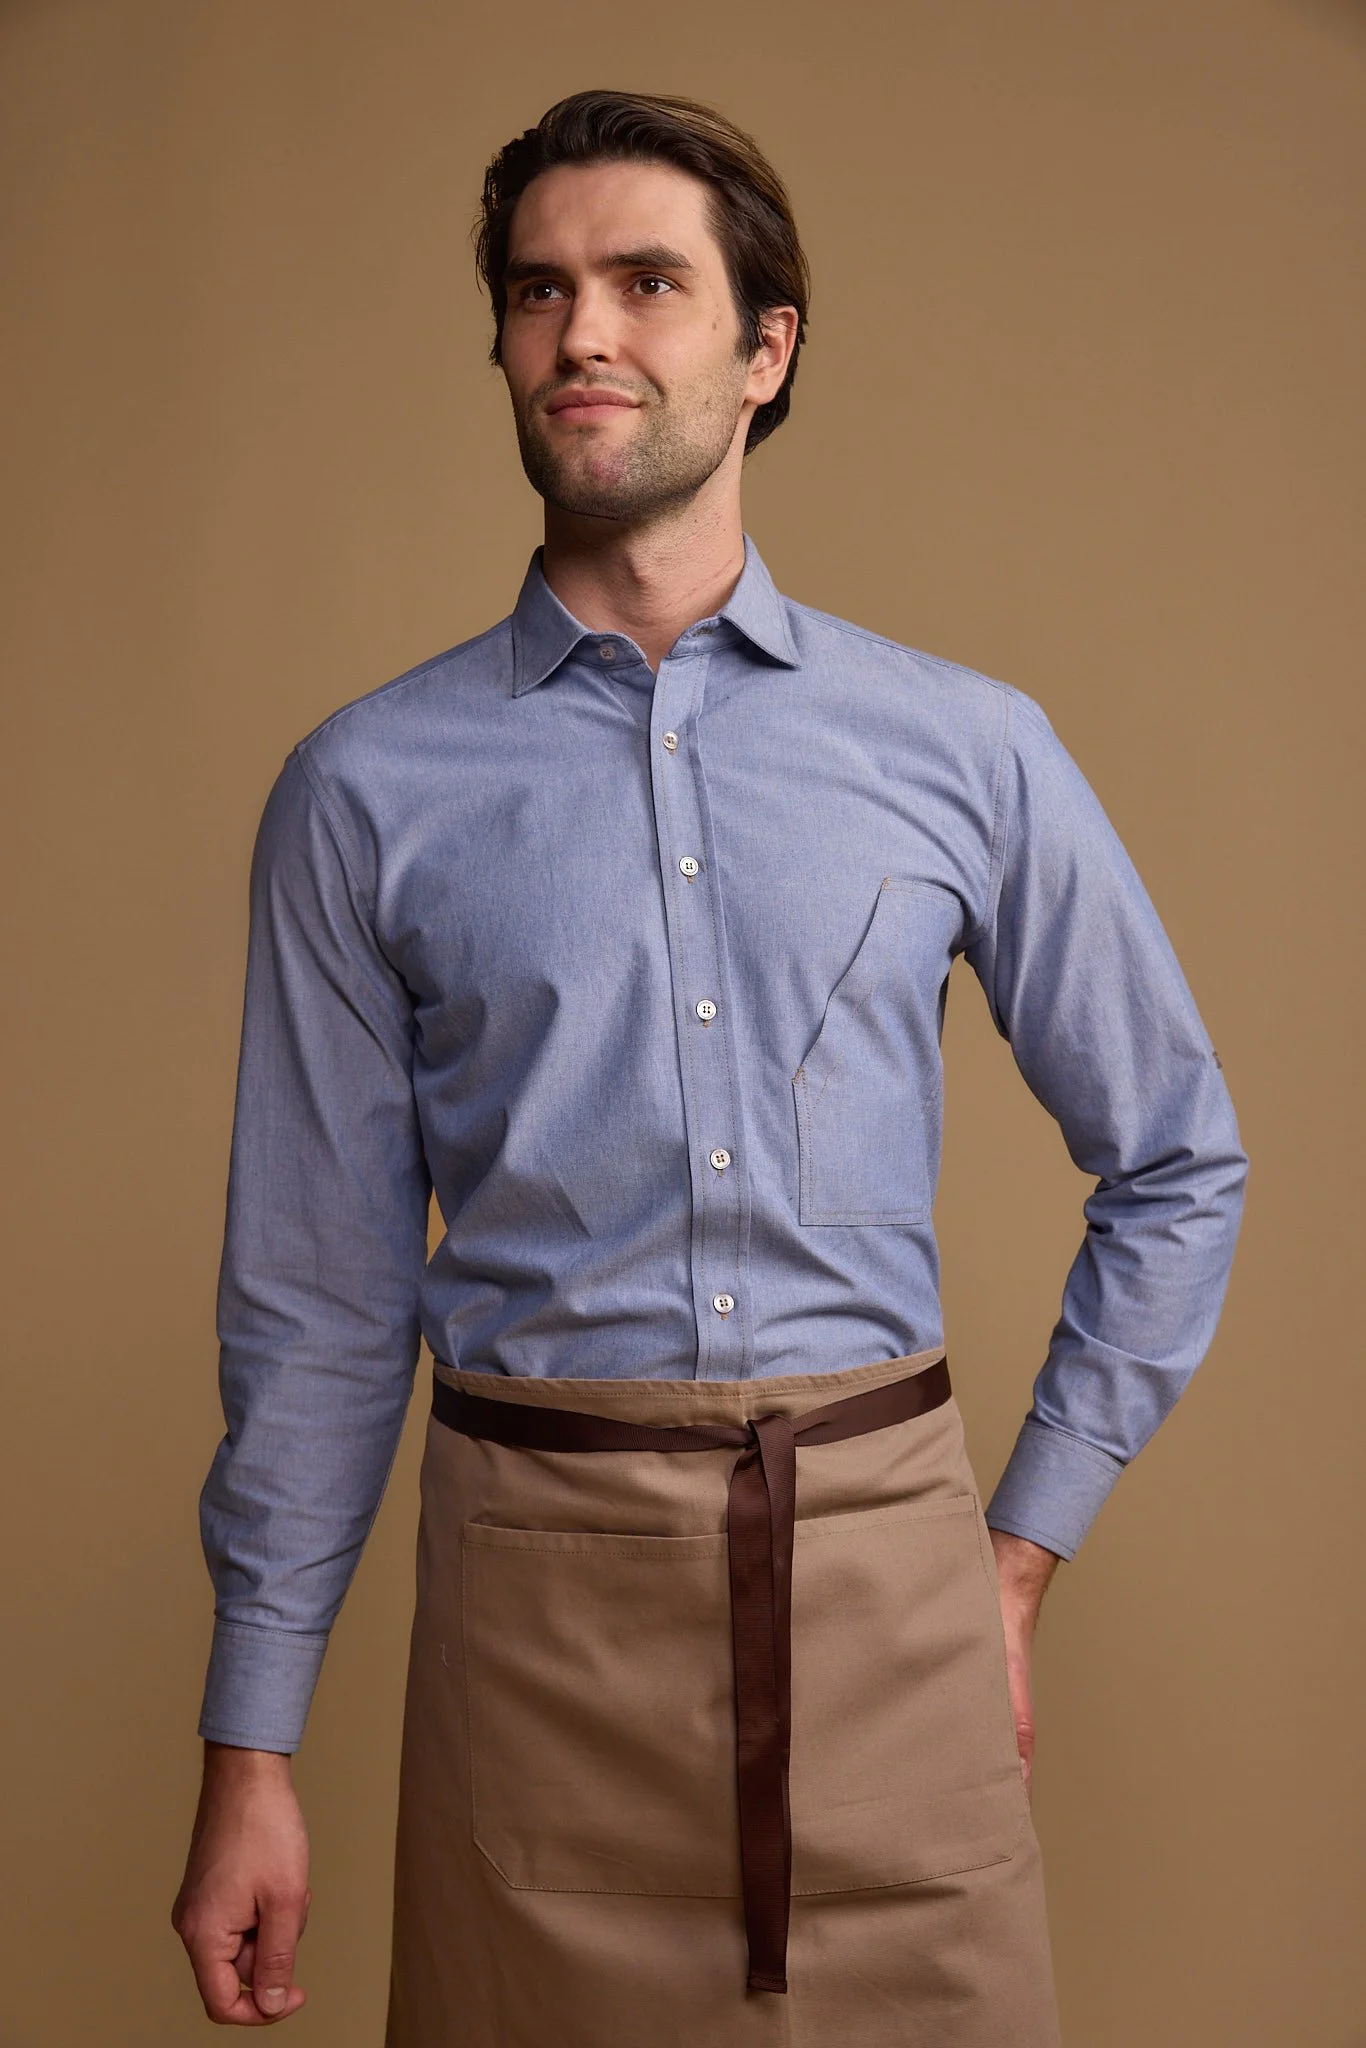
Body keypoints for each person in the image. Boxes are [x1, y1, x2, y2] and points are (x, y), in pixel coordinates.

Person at [171, 89, 1248, 2044]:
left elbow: (1175, 1157)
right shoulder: (365, 792)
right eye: (536, 290)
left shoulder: (964, 749)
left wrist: (1008, 1559)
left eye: (643, 283)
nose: (581, 333)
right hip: (532, 1632)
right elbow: (320, 1299)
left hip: (883, 1599)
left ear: (763, 351)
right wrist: (252, 1744)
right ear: (501, 344)